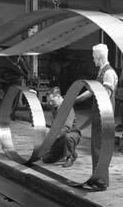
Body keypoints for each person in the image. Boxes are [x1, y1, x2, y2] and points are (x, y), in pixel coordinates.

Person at [74, 43, 118, 190]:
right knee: (95, 147)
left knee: (100, 147)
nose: (93, 60)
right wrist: (75, 99)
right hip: (98, 115)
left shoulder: (108, 73)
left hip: (104, 116)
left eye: (94, 58)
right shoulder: (101, 72)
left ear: (99, 57)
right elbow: (92, 91)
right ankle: (96, 178)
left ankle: (102, 182)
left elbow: (106, 94)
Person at [41, 87, 81, 168]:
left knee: (67, 137)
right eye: (49, 101)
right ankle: (64, 152)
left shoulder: (67, 108)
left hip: (72, 133)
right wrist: (33, 96)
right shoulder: (54, 105)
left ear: (59, 97)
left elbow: (67, 128)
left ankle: (71, 156)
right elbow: (44, 105)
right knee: (46, 159)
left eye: (52, 101)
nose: (50, 103)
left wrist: (52, 136)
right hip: (59, 135)